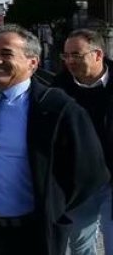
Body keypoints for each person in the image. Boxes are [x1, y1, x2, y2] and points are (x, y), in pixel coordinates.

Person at [0, 26, 108, 255]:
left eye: (6, 54)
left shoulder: (56, 108)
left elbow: (90, 172)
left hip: (26, 235)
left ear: (32, 63)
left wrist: (52, 204)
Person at [51, 29, 113, 255]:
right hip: (80, 182)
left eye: (76, 55)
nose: (69, 61)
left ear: (98, 55)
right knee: (80, 245)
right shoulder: (57, 90)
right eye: (66, 55)